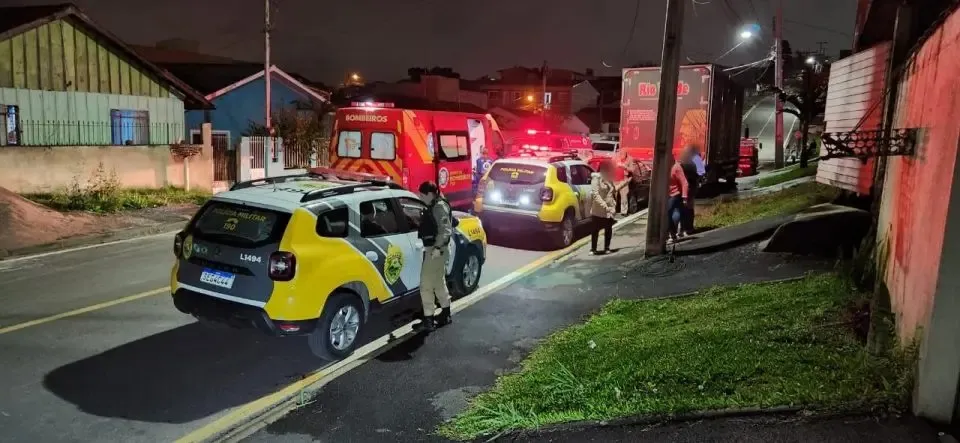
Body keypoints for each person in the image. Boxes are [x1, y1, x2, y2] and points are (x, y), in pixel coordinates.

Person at [415, 181, 454, 331]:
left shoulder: (438, 207)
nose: (420, 197)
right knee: (438, 282)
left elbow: (445, 230)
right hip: (439, 250)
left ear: (430, 194)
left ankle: (428, 319)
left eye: (422, 195)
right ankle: (445, 313)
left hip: (436, 250)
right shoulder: (437, 204)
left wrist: (437, 247)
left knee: (426, 285)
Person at [589, 161, 628, 255]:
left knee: (608, 229)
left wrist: (625, 183)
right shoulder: (596, 179)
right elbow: (595, 195)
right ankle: (593, 249)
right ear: (603, 170)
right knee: (595, 230)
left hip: (609, 210)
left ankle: (607, 248)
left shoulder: (609, 179)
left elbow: (613, 190)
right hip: (598, 210)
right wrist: (606, 207)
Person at [679, 145, 704, 236]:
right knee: (689, 207)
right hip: (691, 186)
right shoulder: (697, 159)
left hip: (683, 186)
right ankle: (688, 228)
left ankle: (682, 229)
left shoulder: (682, 161)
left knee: (683, 207)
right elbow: (701, 172)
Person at [667, 156, 690, 244]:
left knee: (669, 213)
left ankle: (672, 235)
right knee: (671, 214)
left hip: (676, 194)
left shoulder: (676, 168)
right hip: (667, 194)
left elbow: (685, 183)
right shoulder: (665, 167)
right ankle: (671, 233)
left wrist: (684, 197)